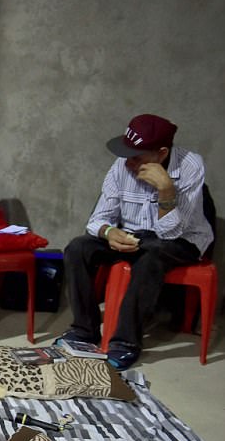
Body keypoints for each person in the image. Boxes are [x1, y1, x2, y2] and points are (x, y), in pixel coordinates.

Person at [60, 114, 213, 371]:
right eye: (126, 154)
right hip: (132, 234)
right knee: (78, 248)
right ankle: (84, 329)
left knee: (150, 255)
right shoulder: (122, 165)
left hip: (183, 240)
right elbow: (97, 219)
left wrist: (166, 190)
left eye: (137, 156)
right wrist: (109, 232)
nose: (128, 162)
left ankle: (126, 343)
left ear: (162, 153)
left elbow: (170, 233)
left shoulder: (190, 166)